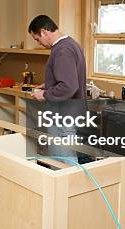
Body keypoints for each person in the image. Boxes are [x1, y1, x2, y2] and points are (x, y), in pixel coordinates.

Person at [27, 14, 86, 163]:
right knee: (62, 161)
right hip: (68, 113)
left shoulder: (62, 50)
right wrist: (49, 84)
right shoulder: (70, 44)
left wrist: (45, 94)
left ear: (44, 32)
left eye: (37, 39)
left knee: (64, 163)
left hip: (63, 115)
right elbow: (70, 77)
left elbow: (69, 86)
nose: (39, 43)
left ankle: (70, 187)